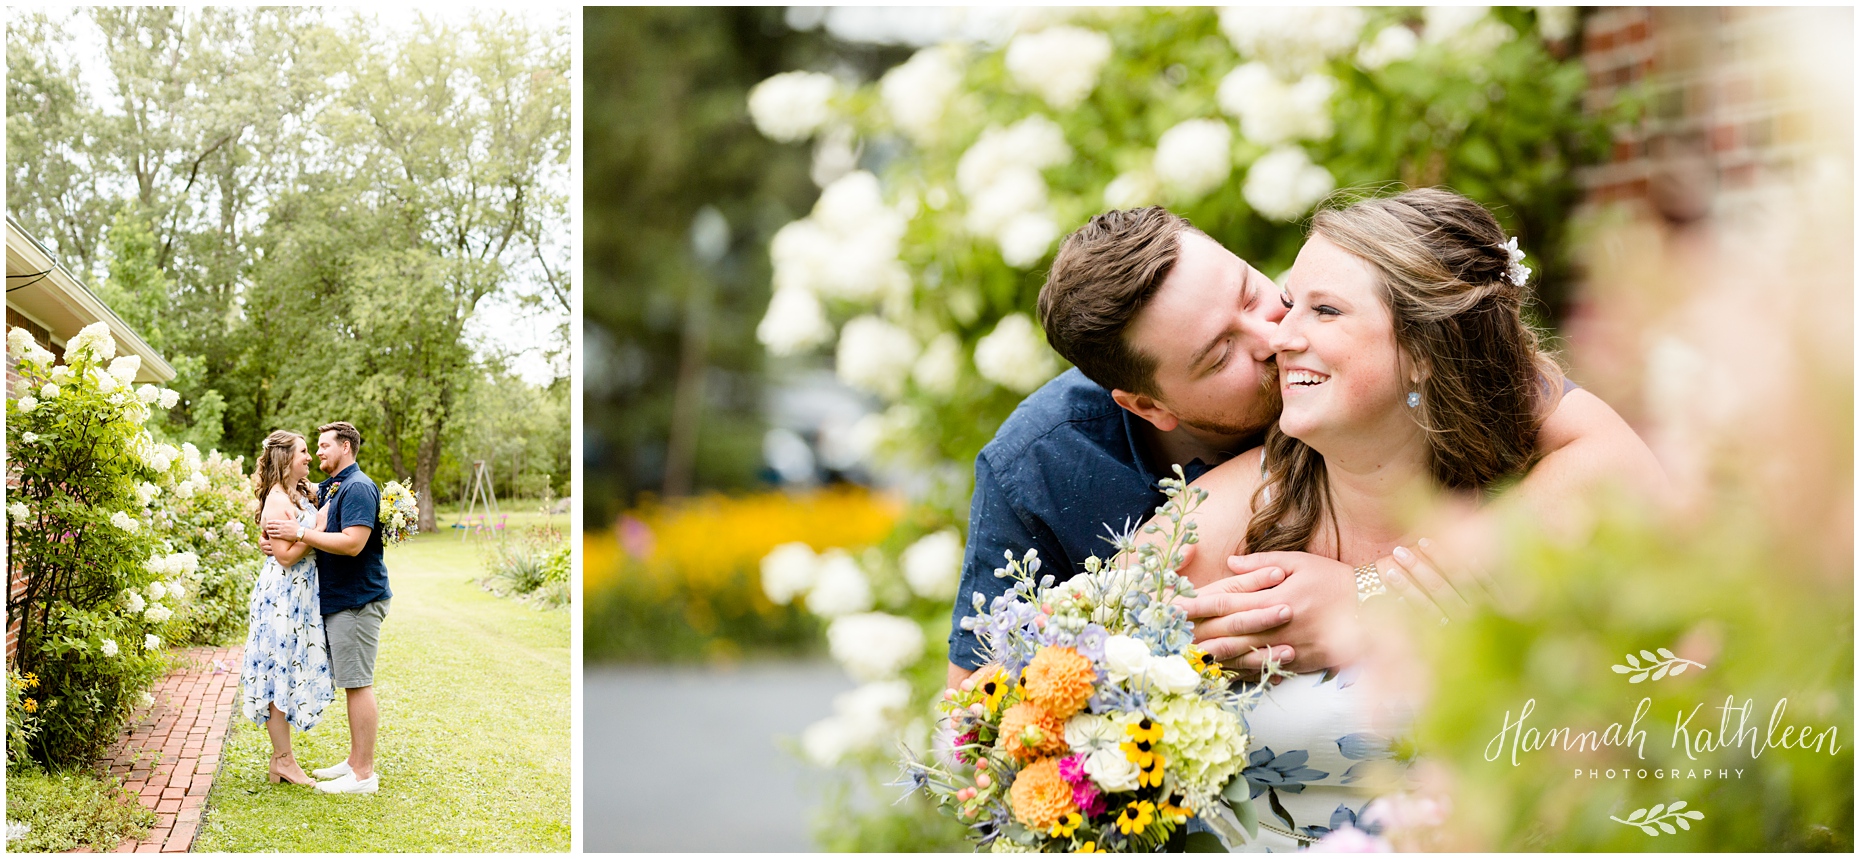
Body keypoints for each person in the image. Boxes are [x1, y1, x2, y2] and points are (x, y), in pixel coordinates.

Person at [946, 204, 1667, 685]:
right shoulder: (1045, 467)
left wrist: (1380, 599)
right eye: (1219, 353)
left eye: (1251, 292)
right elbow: (988, 716)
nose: (1275, 336)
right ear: (1148, 406)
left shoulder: (1399, 358)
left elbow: (1615, 464)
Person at [264, 420, 392, 795]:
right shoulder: (333, 486)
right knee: (352, 682)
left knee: (358, 683)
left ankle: (364, 775)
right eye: (313, 447)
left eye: (323, 446)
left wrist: (301, 534)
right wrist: (275, 540)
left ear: (346, 448)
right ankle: (354, 763)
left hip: (357, 599)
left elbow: (352, 543)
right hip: (338, 598)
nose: (317, 452)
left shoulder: (357, 488)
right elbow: (289, 514)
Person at [240, 430, 337, 787]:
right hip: (283, 597)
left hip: (300, 596)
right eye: (303, 452)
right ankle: (283, 760)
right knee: (278, 674)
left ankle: (282, 760)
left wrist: (307, 527)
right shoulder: (277, 500)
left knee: (288, 672)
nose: (309, 457)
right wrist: (318, 530)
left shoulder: (298, 493)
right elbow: (283, 557)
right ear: (285, 458)